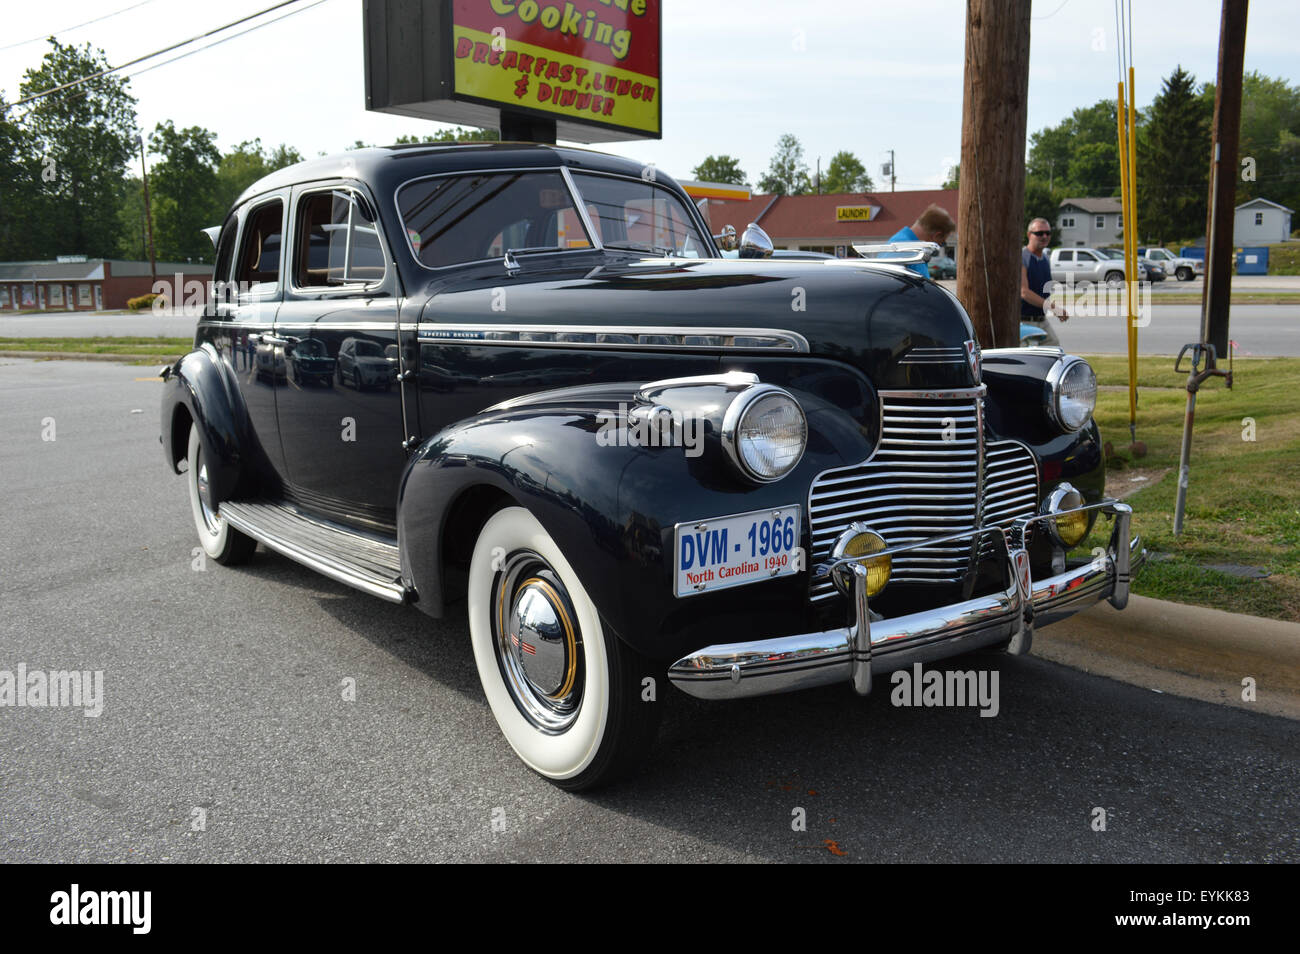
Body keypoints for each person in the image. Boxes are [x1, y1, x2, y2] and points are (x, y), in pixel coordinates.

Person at [1020, 217, 1068, 346]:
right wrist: (1053, 308)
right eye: (1039, 233)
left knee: (1054, 351)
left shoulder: (1045, 258)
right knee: (1025, 359)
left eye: (1048, 233)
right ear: (1029, 235)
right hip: (1023, 321)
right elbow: (1024, 292)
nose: (1044, 236)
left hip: (1041, 319)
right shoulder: (1022, 257)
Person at [887, 204, 955, 278]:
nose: (940, 246)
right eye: (942, 243)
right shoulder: (914, 255)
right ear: (937, 236)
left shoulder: (894, 242)